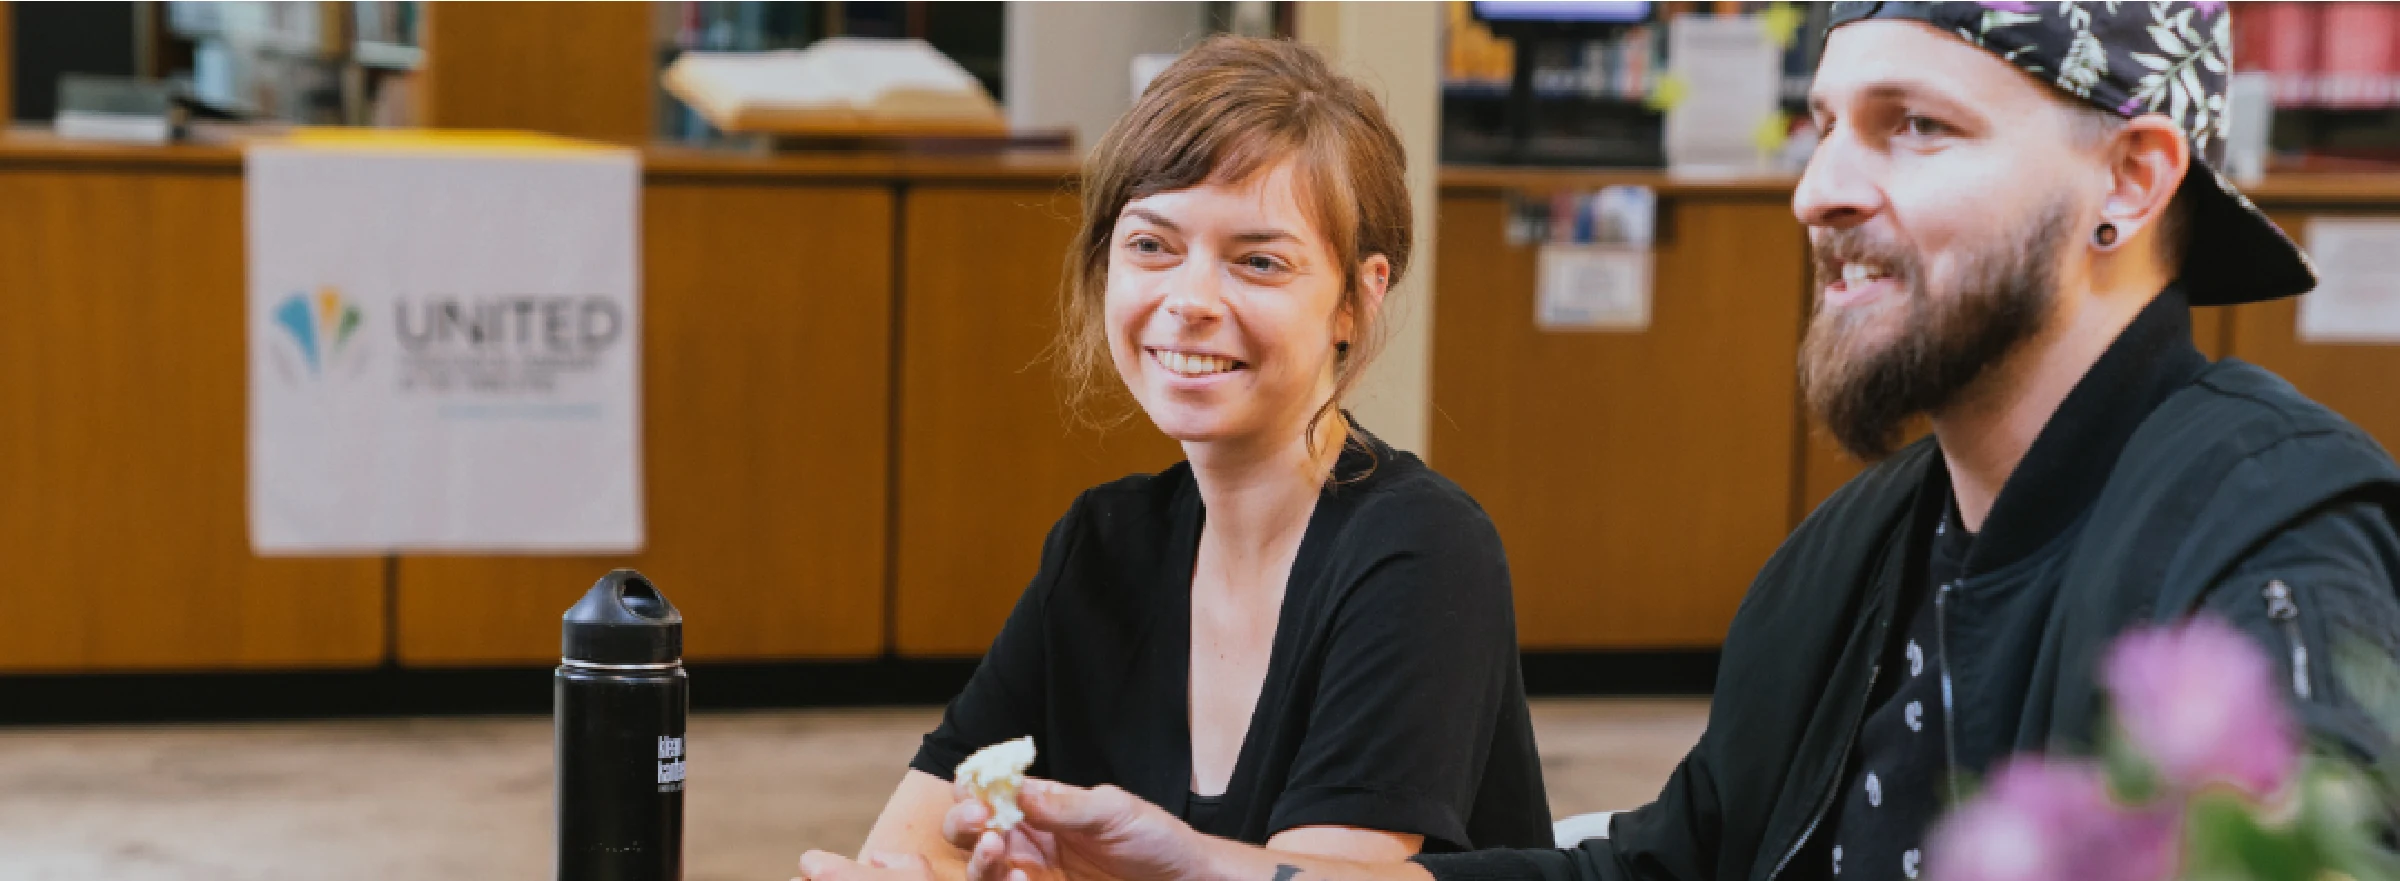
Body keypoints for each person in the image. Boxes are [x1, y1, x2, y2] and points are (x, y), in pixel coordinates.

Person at [855, 5, 2400, 881]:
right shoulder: (1853, 561)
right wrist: (1227, 876)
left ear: (2131, 176)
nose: (1821, 190)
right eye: (1822, 127)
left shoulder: (2263, 540)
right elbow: (1663, 872)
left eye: (1915, 128)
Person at [794, 35, 1555, 881]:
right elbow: (912, 841)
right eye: (1153, 245)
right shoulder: (1105, 542)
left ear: (1357, 297)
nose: (1189, 301)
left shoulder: (1421, 550)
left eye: (1258, 261)